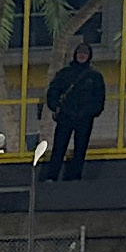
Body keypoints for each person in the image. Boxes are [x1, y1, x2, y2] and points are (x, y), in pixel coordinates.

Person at [43, 42, 105, 181]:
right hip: (67, 116)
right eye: (80, 53)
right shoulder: (65, 74)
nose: (82, 55)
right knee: (59, 148)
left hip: (84, 117)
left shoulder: (94, 76)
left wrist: (91, 112)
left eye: (85, 53)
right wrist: (56, 107)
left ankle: (73, 176)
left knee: (80, 148)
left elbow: (99, 98)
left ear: (89, 56)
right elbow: (53, 92)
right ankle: (53, 176)